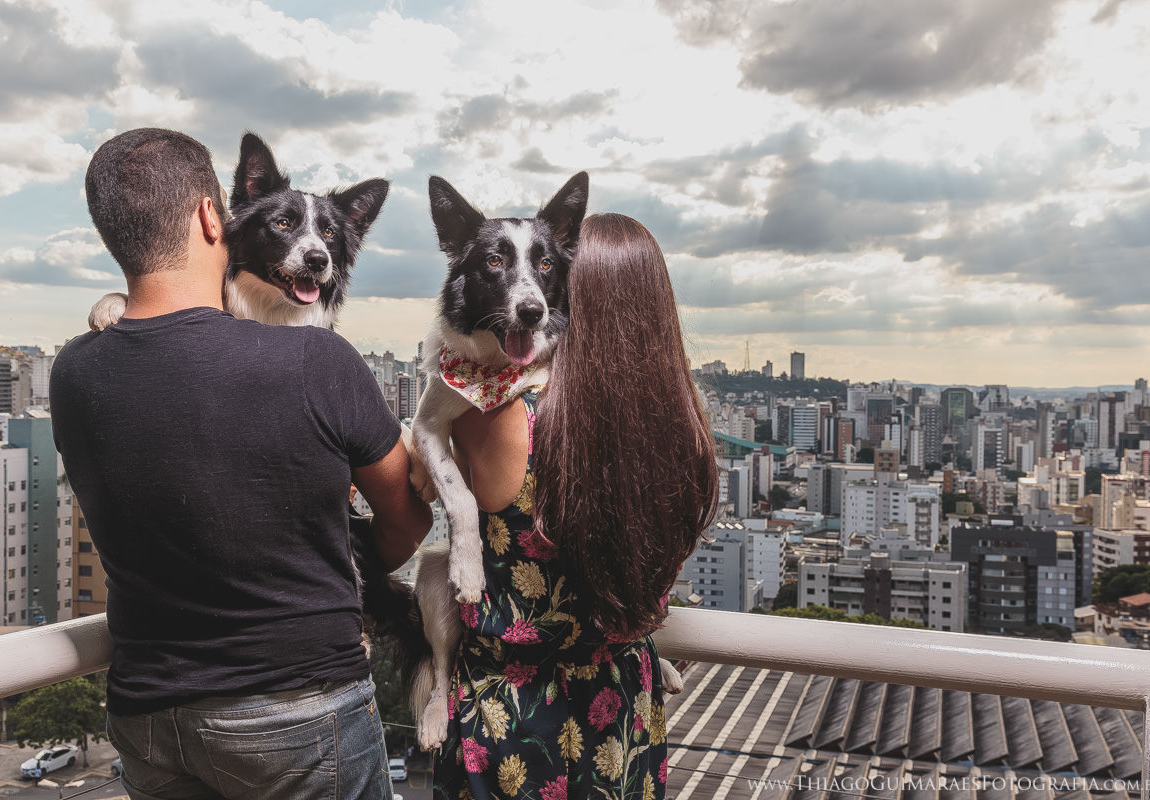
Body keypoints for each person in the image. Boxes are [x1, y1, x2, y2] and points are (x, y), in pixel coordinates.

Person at [50, 128, 433, 800]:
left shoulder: (74, 371)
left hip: (145, 712)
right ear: (212, 216)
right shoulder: (319, 363)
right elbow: (406, 520)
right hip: (296, 709)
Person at [433, 213, 719, 799]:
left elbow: (427, 464)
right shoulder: (682, 435)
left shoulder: (507, 422)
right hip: (623, 708)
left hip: (512, 713)